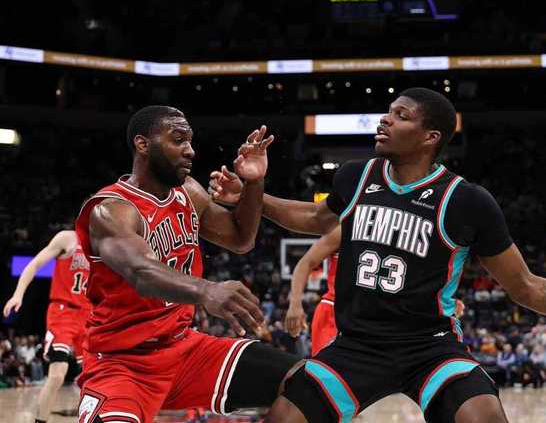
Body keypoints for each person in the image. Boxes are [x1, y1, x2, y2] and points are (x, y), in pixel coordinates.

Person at [209, 87, 546, 423]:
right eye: (388, 112)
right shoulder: (356, 176)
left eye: (400, 116)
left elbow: (524, 286)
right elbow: (313, 218)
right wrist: (252, 193)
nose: (384, 120)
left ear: (430, 137)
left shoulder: (466, 201)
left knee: (484, 416)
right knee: (284, 416)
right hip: (357, 344)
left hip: (431, 346)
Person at [74, 106, 300, 423]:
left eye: (190, 141)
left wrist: (254, 184)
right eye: (178, 140)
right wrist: (206, 290)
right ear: (143, 143)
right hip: (122, 362)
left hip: (185, 350)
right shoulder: (110, 209)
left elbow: (240, 239)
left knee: (308, 383)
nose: (190, 150)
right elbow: (141, 272)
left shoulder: (189, 192)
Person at [3, 230, 91, 423]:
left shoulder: (104, 246)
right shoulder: (68, 238)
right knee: (58, 374)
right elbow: (35, 264)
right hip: (63, 311)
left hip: (88, 316)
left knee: (92, 377)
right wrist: (18, 294)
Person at [285, 226, 341, 356]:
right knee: (326, 368)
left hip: (373, 315)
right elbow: (306, 262)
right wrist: (295, 304)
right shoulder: (345, 228)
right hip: (333, 310)